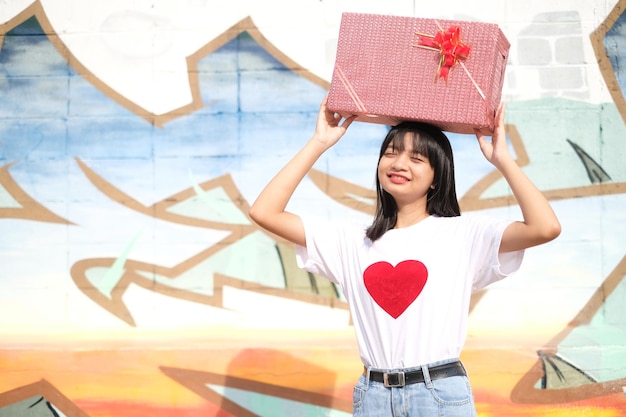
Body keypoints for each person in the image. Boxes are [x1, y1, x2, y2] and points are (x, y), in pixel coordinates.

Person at [249, 95, 561, 417]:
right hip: (373, 397)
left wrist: (503, 160)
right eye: (391, 153)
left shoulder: (462, 234)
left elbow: (545, 227)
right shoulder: (352, 242)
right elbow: (264, 211)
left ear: (437, 177)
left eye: (416, 159)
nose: (398, 164)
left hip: (438, 393)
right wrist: (319, 142)